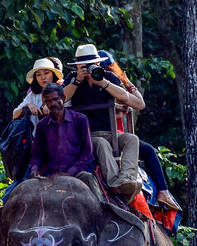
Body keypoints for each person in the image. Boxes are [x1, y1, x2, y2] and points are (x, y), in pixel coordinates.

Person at [96, 50, 181, 211]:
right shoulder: (111, 86)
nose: (107, 71)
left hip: (113, 136)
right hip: (112, 136)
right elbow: (139, 104)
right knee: (148, 151)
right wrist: (126, 82)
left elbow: (138, 105)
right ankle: (162, 191)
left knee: (138, 145)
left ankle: (157, 190)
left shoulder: (101, 85)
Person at [62, 43, 141, 202]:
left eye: (92, 65)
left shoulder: (108, 77)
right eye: (84, 65)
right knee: (101, 144)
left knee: (132, 139)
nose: (89, 68)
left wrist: (102, 82)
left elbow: (125, 97)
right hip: (86, 135)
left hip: (109, 132)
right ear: (78, 66)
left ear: (98, 63)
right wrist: (77, 80)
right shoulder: (72, 78)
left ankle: (127, 178)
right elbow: (61, 98)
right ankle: (114, 183)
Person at [27, 83, 95, 178]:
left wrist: (70, 172)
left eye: (55, 99)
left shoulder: (80, 119)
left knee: (89, 182)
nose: (52, 104)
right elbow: (37, 154)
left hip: (78, 173)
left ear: (63, 99)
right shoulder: (42, 125)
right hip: (51, 175)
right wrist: (35, 169)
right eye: (48, 101)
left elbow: (88, 153)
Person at [12, 58, 63, 129]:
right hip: (36, 137)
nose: (43, 77)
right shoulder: (32, 95)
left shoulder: (62, 91)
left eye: (46, 73)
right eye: (38, 75)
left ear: (53, 74)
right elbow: (14, 115)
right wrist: (27, 106)